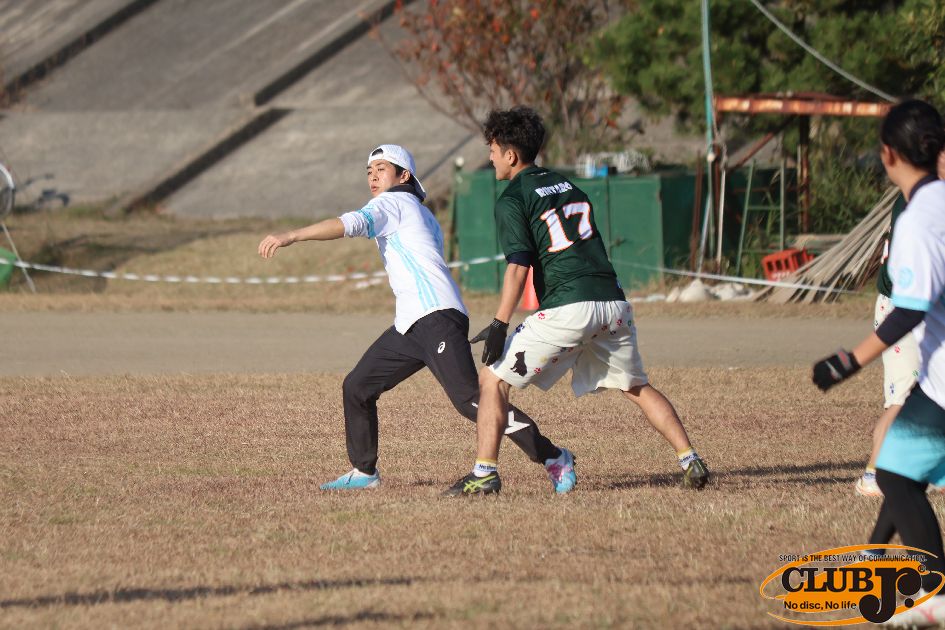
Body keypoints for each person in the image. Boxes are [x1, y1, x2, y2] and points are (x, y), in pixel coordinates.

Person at [258, 145, 576, 492]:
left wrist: (291, 235)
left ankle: (553, 456)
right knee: (358, 386)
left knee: (471, 400)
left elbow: (349, 224)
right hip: (411, 324)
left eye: (382, 169)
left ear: (403, 175)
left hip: (435, 318)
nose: (373, 177)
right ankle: (364, 471)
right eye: (369, 171)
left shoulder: (391, 203)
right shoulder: (419, 211)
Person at [444, 107, 709, 497]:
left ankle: (484, 473)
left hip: (570, 306)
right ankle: (690, 459)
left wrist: (499, 324)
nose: (491, 157)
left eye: (493, 150)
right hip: (613, 304)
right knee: (636, 386)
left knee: (491, 380)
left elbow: (517, 268)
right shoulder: (567, 184)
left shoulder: (513, 197)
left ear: (511, 155)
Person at [813, 99, 945, 627]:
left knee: (895, 471)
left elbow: (909, 308)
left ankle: (934, 597)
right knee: (898, 466)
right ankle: (876, 560)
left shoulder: (917, 218)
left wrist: (848, 361)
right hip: (935, 377)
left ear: (888, 154)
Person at [855, 197, 920, 497]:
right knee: (902, 398)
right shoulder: (917, 198)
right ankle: (873, 475)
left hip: (926, 307)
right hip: (902, 306)